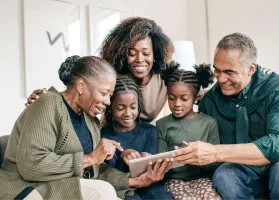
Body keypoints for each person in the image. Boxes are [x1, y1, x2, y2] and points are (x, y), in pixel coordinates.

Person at [0, 55, 172, 200]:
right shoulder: (48, 103)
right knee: (102, 191)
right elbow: (32, 166)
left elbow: (95, 172)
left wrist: (135, 181)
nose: (107, 101)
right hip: (27, 188)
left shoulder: (91, 121)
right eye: (104, 93)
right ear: (81, 86)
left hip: (67, 187)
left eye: (110, 95)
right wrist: (90, 158)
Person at [172, 33, 279, 199]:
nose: (221, 79)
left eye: (229, 72)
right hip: (246, 167)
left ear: (251, 69)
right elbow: (202, 142)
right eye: (217, 70)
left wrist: (215, 152)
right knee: (225, 175)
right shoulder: (210, 100)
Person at [26, 17, 175, 122]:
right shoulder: (113, 76)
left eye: (146, 53)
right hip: (113, 138)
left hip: (149, 140)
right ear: (123, 53)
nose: (139, 59)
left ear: (156, 53)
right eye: (131, 53)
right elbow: (79, 91)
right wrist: (47, 97)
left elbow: (193, 92)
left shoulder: (166, 76)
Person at [101, 77, 174, 200]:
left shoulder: (150, 131)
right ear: (110, 108)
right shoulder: (104, 136)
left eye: (133, 107)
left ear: (138, 106)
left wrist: (148, 158)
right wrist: (122, 155)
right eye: (120, 108)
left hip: (150, 185)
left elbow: (156, 164)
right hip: (124, 187)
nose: (128, 113)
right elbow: (108, 172)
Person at [157, 62, 221, 200]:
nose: (177, 104)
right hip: (174, 181)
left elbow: (215, 162)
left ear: (196, 97)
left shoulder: (209, 123)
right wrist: (173, 159)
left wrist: (195, 157)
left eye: (184, 99)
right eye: (171, 98)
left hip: (203, 178)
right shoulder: (162, 124)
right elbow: (160, 160)